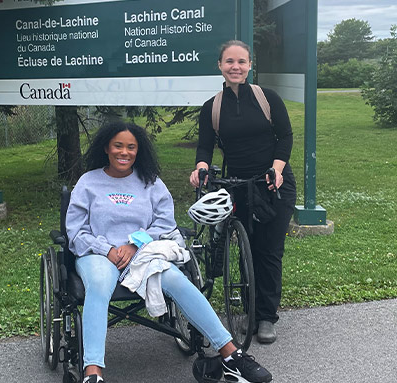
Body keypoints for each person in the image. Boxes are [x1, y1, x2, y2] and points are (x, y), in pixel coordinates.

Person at [67, 121, 273, 383]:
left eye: (131, 147)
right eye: (118, 146)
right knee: (98, 283)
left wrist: (135, 244)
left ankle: (231, 355)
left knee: (177, 279)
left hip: (143, 252)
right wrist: (106, 249)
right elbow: (75, 231)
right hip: (98, 254)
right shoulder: (88, 182)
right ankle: (92, 373)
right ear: (107, 147)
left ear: (138, 151)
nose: (124, 152)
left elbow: (164, 224)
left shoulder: (150, 182)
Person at [189, 40, 297, 345]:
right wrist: (200, 167)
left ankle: (266, 317)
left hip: (273, 183)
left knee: (268, 250)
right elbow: (205, 145)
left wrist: (276, 169)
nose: (235, 67)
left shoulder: (267, 98)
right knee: (246, 247)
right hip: (237, 185)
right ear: (220, 66)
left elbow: (285, 136)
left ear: (250, 66)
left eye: (241, 62)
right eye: (229, 62)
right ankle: (249, 311)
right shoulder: (213, 107)